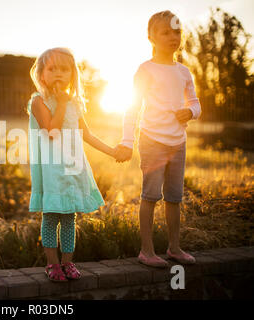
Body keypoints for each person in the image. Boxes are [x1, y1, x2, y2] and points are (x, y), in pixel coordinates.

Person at [114, 11, 201, 267]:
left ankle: (174, 248)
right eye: (166, 32)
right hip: (152, 141)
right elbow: (132, 108)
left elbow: (195, 103)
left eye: (177, 32)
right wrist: (127, 142)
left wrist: (191, 112)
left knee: (174, 198)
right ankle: (147, 251)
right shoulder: (145, 70)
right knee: (150, 196)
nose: (173, 37)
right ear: (151, 37)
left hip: (178, 143)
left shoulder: (184, 72)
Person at [27, 47, 116, 281]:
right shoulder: (38, 101)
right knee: (51, 215)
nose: (58, 73)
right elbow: (52, 130)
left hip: (74, 167)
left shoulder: (74, 104)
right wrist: (62, 103)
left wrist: (112, 151)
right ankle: (52, 264)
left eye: (64, 69)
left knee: (69, 218)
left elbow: (86, 134)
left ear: (73, 75)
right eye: (52, 68)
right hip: (52, 170)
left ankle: (67, 263)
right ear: (41, 74)